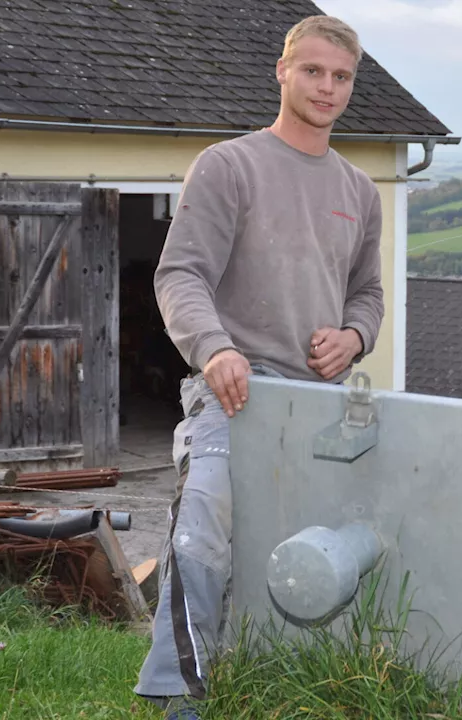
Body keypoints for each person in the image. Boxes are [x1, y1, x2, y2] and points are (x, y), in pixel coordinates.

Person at [133, 15, 385, 717]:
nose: (327, 87)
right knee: (203, 528)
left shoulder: (360, 192)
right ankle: (175, 696)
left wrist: (355, 338)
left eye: (341, 77)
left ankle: (268, 687)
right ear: (282, 72)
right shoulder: (229, 165)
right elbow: (179, 275)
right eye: (314, 71)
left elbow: (368, 293)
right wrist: (215, 349)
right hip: (233, 396)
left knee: (305, 551)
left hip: (321, 409)